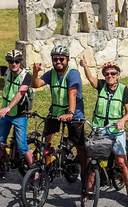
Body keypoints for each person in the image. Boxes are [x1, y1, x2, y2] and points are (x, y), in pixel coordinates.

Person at [79, 55, 128, 197]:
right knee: (92, 159)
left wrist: (122, 121)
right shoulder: (101, 86)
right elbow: (91, 79)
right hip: (99, 129)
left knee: (121, 162)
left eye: (113, 73)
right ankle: (88, 190)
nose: (110, 76)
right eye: (107, 73)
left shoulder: (123, 89)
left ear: (118, 75)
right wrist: (85, 66)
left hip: (116, 130)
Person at [31, 45, 87, 178]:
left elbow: (72, 94)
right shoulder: (51, 73)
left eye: (61, 59)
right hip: (55, 111)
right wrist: (35, 73)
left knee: (80, 146)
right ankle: (48, 168)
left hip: (74, 113)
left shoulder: (73, 73)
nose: (58, 62)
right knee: (46, 141)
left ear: (67, 59)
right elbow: (35, 84)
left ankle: (85, 173)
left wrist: (70, 114)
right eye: (55, 59)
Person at [0, 43, 35, 179]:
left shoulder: (26, 76)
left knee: (22, 146)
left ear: (20, 62)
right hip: (6, 115)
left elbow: (20, 93)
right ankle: (2, 168)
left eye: (16, 61)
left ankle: (36, 172)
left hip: (19, 115)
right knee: (0, 142)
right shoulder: (7, 71)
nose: (13, 64)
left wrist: (8, 107)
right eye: (11, 62)